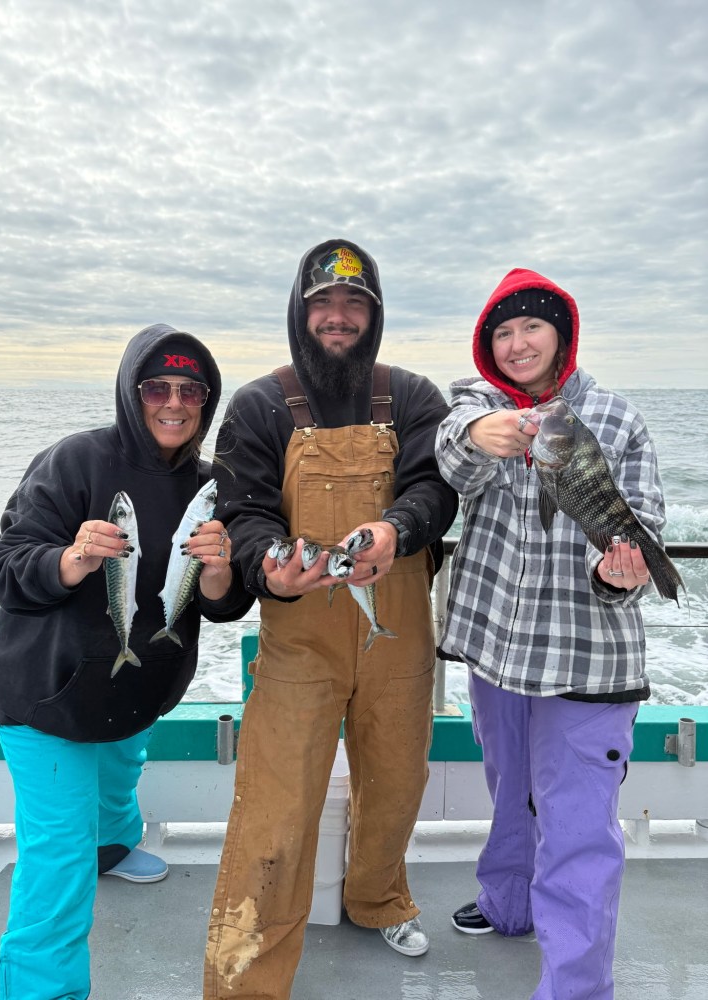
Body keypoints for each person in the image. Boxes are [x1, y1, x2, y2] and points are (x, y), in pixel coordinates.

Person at [203, 240, 458, 999]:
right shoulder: (258, 405)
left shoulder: (412, 397)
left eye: (355, 306)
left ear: (373, 316)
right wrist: (266, 571)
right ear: (300, 312)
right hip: (299, 640)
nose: (338, 318)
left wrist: (396, 531)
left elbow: (434, 489)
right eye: (324, 306)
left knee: (396, 782)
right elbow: (242, 512)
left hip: (400, 630)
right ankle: (246, 980)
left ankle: (376, 897)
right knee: (275, 809)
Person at [0, 323, 253, 1000]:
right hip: (48, 696)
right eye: (156, 387)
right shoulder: (74, 461)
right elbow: (7, 566)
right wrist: (72, 559)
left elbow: (222, 606)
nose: (174, 402)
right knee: (59, 863)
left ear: (206, 400)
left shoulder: (210, 483)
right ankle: (43, 990)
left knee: (121, 769)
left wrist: (220, 573)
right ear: (130, 393)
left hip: (137, 689)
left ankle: (115, 846)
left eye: (191, 389)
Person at [435, 267, 665, 999]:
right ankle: (509, 905)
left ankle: (575, 987)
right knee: (508, 789)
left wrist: (621, 572)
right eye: (501, 332)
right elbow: (450, 458)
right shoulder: (479, 406)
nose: (517, 342)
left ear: (560, 332)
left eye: (531, 326)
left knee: (576, 827)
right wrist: (481, 431)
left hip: (587, 658)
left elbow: (644, 523)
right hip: (497, 649)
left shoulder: (619, 418)